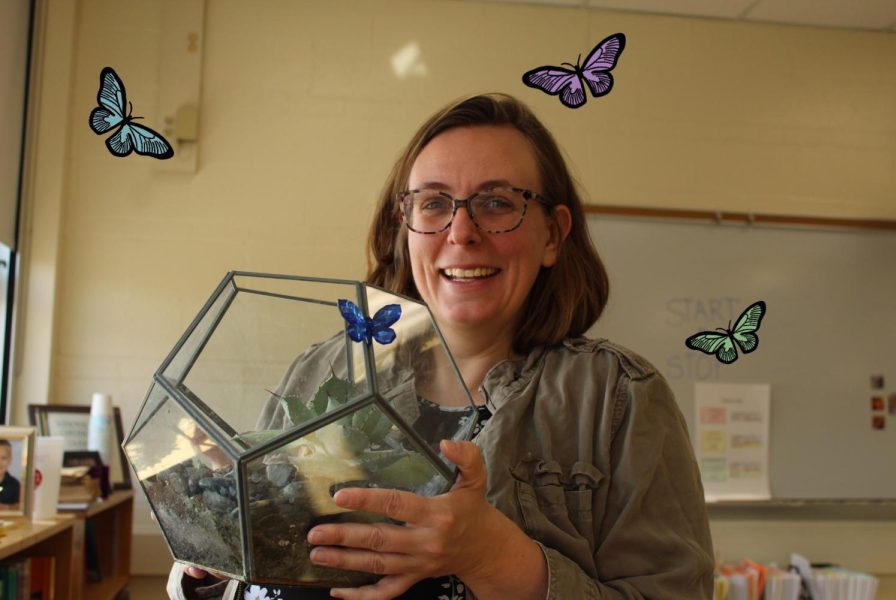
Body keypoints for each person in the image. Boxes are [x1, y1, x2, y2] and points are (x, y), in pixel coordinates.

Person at [169, 93, 714, 599]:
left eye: (497, 202)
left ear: (552, 234)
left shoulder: (619, 398)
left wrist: (495, 557)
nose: (462, 232)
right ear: (404, 227)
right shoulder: (322, 368)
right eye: (434, 203)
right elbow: (255, 569)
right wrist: (214, 545)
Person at [0, 439, 21, 510]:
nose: (0, 462)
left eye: (4, 458)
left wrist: (7, 508)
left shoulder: (15, 484)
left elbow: (20, 506)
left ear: (10, 460)